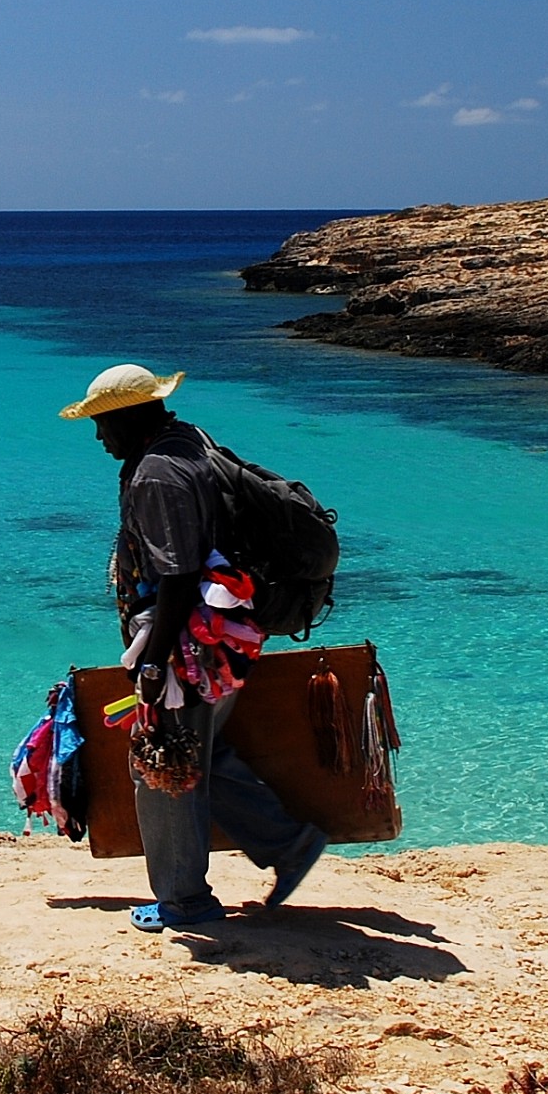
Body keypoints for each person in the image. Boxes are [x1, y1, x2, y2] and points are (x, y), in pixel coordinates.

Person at [60, 363, 327, 931]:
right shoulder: (190, 441)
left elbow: (177, 575)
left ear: (129, 417)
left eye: (103, 424)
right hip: (226, 632)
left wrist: (153, 661)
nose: (99, 437)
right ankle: (289, 843)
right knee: (199, 753)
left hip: (189, 643)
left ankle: (185, 901)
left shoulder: (157, 474)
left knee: (161, 766)